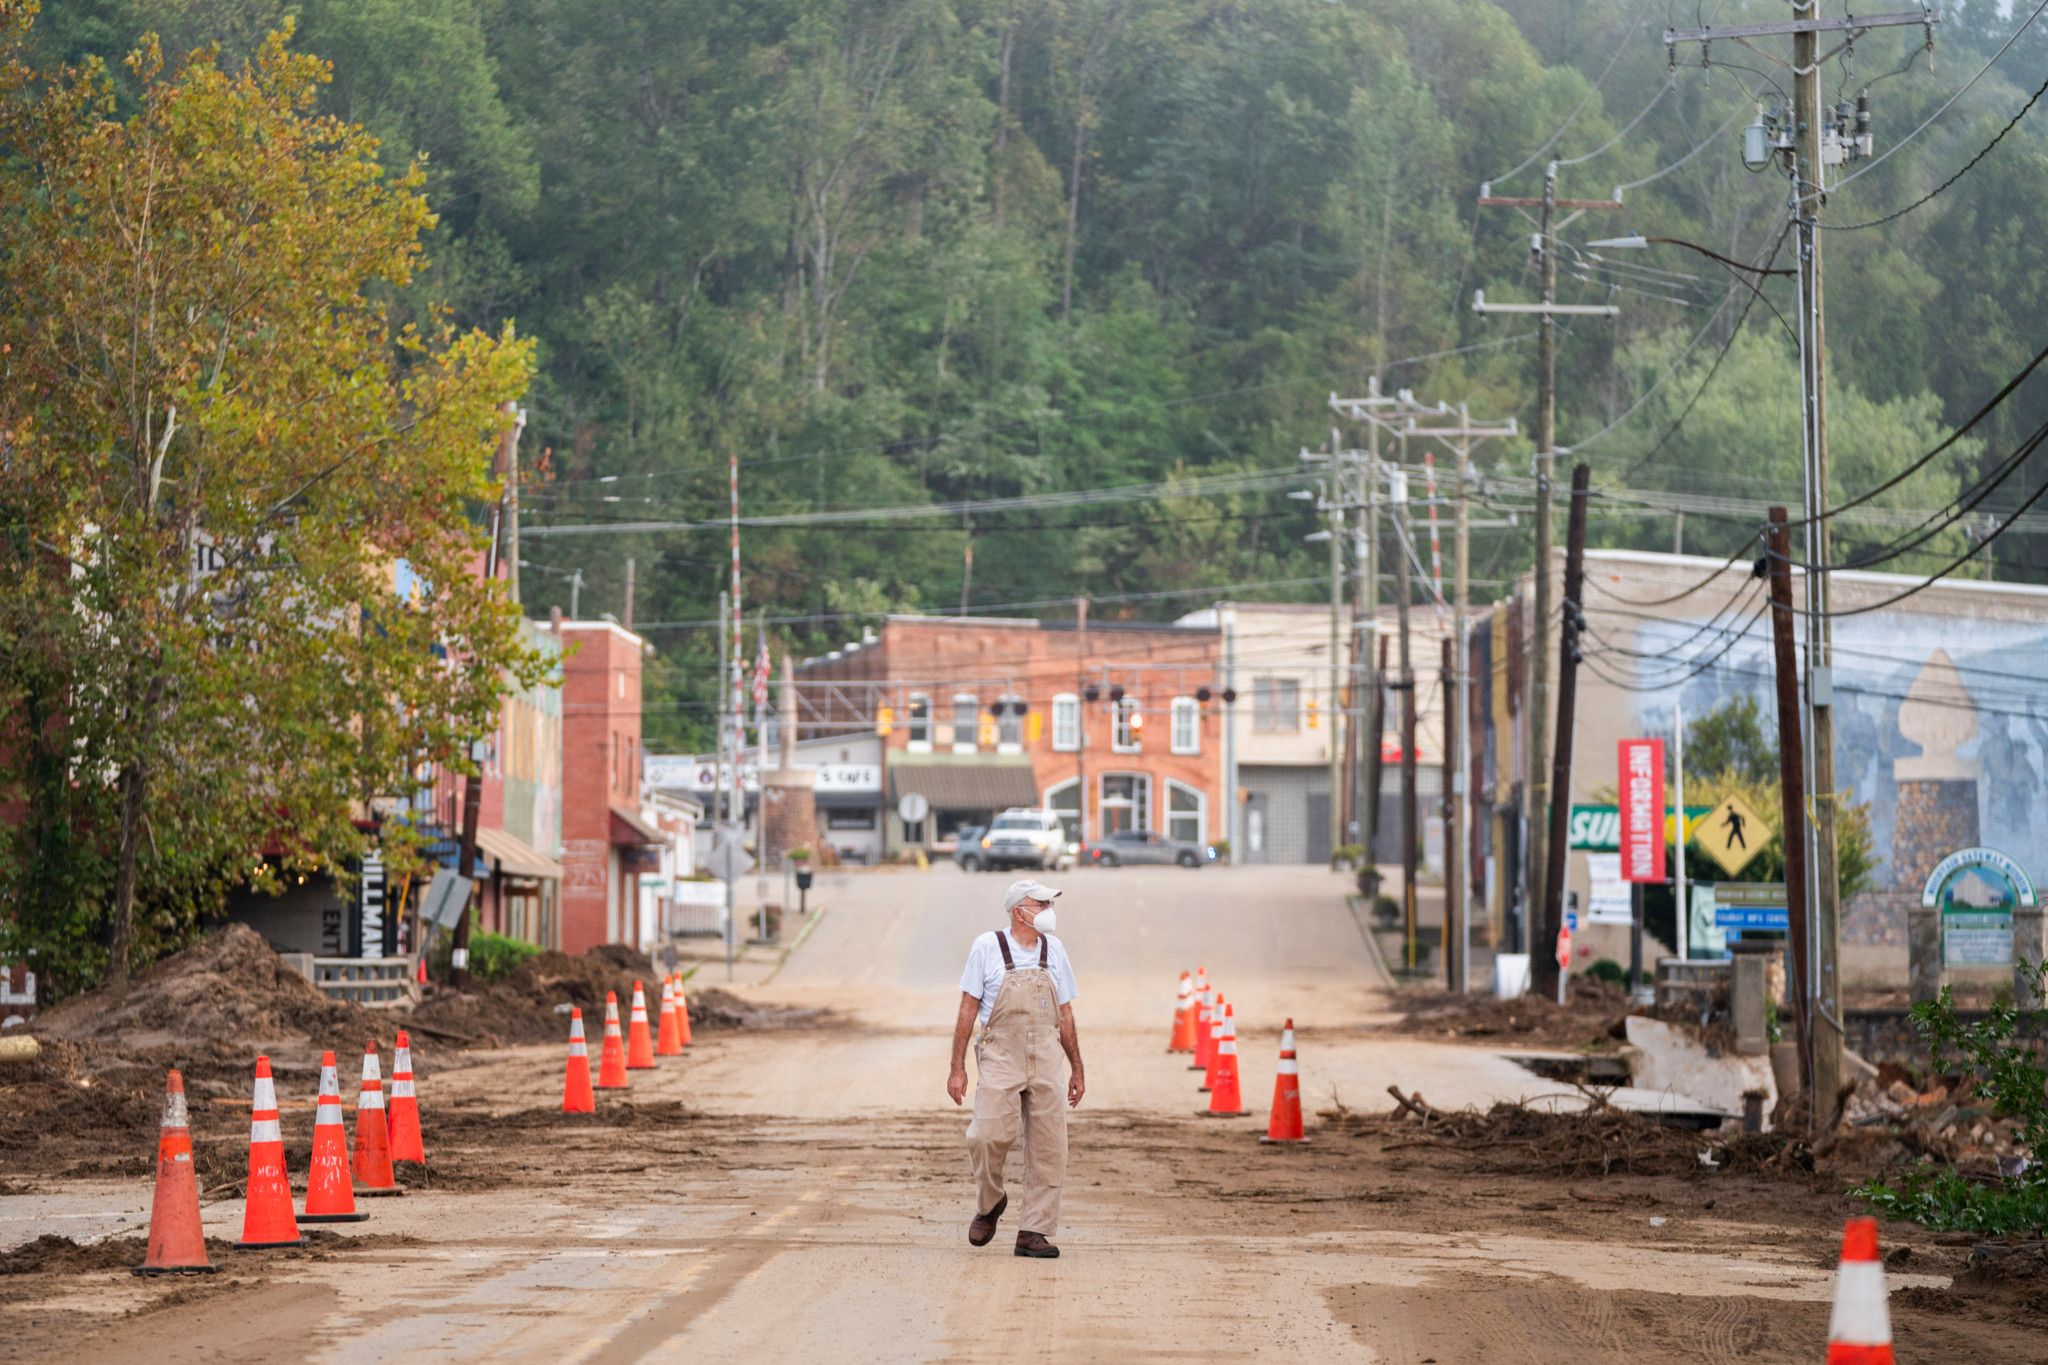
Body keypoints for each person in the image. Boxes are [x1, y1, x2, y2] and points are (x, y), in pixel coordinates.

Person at [947, 878, 1083, 1259]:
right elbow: (967, 1008)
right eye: (1039, 904)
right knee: (986, 1134)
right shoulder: (987, 947)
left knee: (1049, 1145)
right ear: (1017, 911)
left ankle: (1034, 1231)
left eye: (1047, 903)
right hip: (1001, 1054)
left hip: (1045, 1052)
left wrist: (1077, 1069)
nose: (1046, 911)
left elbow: (1066, 1013)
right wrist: (957, 1067)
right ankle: (990, 1203)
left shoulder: (1055, 950)